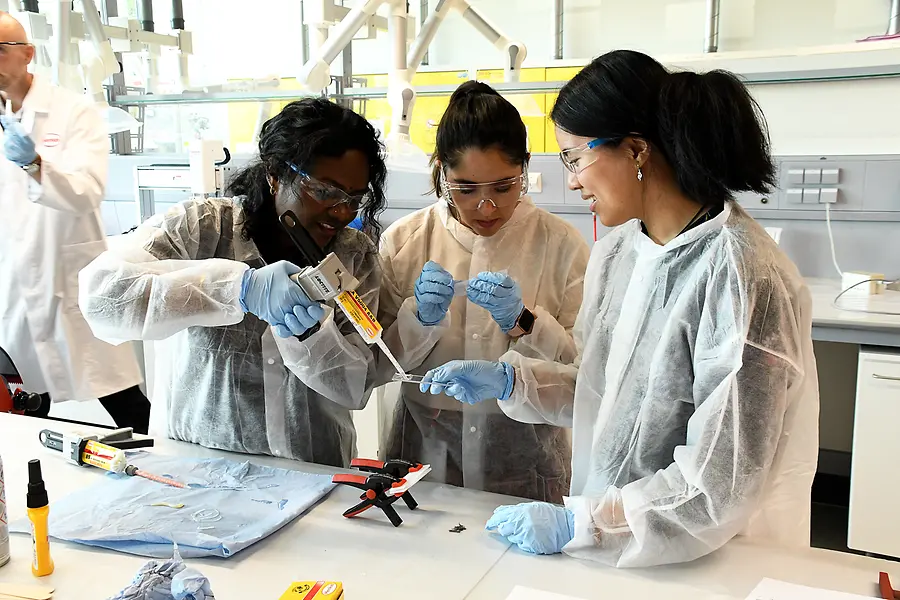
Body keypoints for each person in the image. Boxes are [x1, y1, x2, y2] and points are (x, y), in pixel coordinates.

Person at [419, 50, 819, 567]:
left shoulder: (744, 277)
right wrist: (513, 383)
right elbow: (604, 393)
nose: (572, 180)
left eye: (575, 157)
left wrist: (581, 524)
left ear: (635, 150)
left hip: (711, 557)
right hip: (613, 539)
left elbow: (720, 483)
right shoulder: (620, 253)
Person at [79, 98, 387, 467]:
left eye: (355, 198)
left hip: (311, 468)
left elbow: (355, 385)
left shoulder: (355, 257)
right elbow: (103, 297)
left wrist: (312, 338)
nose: (342, 212)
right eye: (324, 192)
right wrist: (236, 290)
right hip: (196, 465)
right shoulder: (201, 229)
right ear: (275, 173)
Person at [377, 81, 590, 501]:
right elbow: (378, 364)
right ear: (440, 169)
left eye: (504, 187)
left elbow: (585, 374)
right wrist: (418, 320)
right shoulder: (405, 241)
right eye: (466, 189)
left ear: (525, 168)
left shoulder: (562, 245)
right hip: (421, 460)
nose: (485, 206)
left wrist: (525, 322)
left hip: (526, 462)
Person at [0, 12, 149, 431]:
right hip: (11, 290)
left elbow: (86, 190)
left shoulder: (73, 112)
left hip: (68, 283)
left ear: (27, 54)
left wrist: (34, 164)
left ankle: (174, 472)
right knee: (21, 406)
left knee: (126, 405)